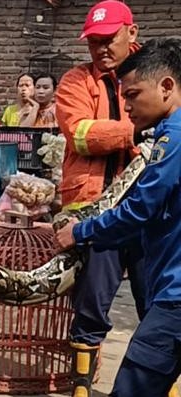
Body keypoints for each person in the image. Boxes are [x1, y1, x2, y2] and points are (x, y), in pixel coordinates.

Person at [56, 37, 181, 397]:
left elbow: (140, 208)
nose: (127, 107)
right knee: (93, 311)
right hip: (117, 227)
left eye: (134, 96)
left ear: (166, 87)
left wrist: (81, 231)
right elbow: (77, 132)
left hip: (171, 289)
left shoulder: (171, 139)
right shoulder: (77, 81)